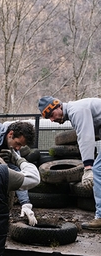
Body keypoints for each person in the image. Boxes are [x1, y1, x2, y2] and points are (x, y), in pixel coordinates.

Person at [38, 96, 101, 230]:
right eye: (48, 118)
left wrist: (88, 168)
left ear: (58, 106)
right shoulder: (75, 112)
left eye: (51, 114)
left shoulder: (76, 110)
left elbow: (86, 137)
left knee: (97, 171)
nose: (52, 120)